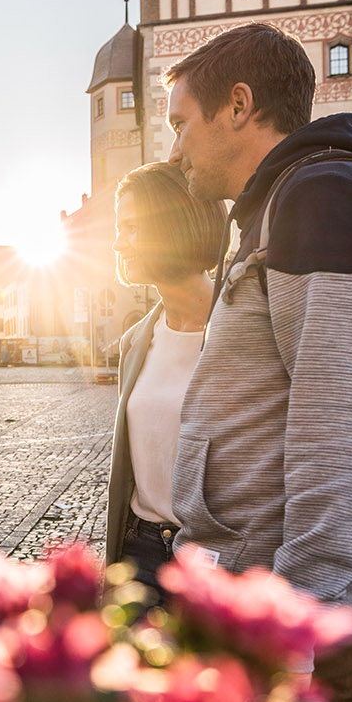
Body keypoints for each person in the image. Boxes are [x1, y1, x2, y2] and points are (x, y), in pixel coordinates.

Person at [164, 21, 352, 702]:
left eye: (181, 124)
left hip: (285, 614)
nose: (176, 148)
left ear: (240, 105)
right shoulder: (288, 199)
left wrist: (295, 619)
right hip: (253, 593)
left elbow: (345, 429)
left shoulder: (326, 199)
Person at [105, 162, 226, 593]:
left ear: (177, 225)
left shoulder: (244, 330)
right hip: (141, 552)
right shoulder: (135, 342)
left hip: (215, 561)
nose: (119, 243)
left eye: (133, 228)